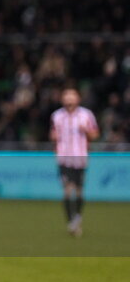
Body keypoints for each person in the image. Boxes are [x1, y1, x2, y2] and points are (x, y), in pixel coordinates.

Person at [50, 87, 99, 237]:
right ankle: (71, 221)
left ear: (78, 99)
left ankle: (77, 217)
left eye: (72, 96)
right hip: (64, 157)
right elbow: (52, 135)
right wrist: (54, 137)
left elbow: (95, 134)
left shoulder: (86, 115)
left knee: (78, 191)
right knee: (67, 191)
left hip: (80, 157)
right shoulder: (56, 116)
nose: (69, 99)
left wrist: (86, 131)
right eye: (67, 97)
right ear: (63, 99)